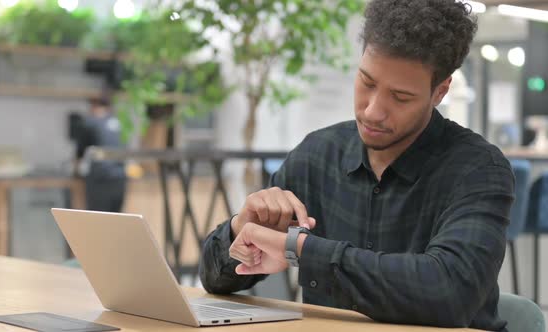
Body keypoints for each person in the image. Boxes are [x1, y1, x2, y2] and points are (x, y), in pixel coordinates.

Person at [198, 1, 515, 331]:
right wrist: (242, 229)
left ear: (440, 91)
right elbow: (214, 279)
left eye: (401, 97)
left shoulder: (478, 170)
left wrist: (303, 250)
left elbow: (450, 293)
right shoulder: (317, 155)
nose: (373, 111)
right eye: (367, 82)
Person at [75, 96, 127, 213]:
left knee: (97, 218)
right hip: (120, 177)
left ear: (95, 106)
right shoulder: (119, 123)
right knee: (116, 218)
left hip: (100, 178)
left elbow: (80, 152)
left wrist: (77, 170)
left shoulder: (90, 123)